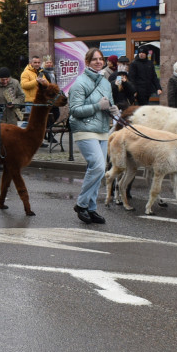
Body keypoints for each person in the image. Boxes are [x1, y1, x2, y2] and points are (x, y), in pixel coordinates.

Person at [68, 48, 116, 225]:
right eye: (94, 59)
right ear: (87, 62)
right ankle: (81, 204)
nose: (98, 62)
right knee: (97, 166)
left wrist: (112, 109)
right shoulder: (79, 83)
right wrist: (97, 106)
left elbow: (108, 103)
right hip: (84, 129)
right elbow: (74, 110)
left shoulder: (105, 83)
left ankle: (91, 207)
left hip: (102, 129)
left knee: (100, 170)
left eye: (100, 59)